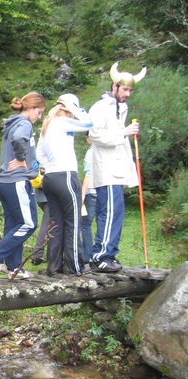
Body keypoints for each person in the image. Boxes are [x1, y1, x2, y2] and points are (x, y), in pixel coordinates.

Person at [89, 62, 146, 273]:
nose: (128, 94)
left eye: (131, 90)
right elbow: (93, 135)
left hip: (117, 170)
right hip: (106, 169)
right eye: (125, 89)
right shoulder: (101, 107)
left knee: (115, 213)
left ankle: (108, 254)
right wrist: (124, 132)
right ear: (114, 86)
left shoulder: (121, 109)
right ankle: (100, 256)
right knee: (110, 213)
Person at [0, 92, 44, 279]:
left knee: (14, 225)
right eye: (39, 113)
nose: (38, 117)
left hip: (4, 182)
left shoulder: (13, 123)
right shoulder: (24, 124)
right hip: (16, 180)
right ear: (32, 108)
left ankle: (14, 268)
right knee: (29, 224)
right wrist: (21, 159)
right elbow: (19, 139)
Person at [37, 93, 93, 276]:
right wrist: (74, 107)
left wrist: (51, 165)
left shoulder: (46, 124)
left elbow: (39, 156)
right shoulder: (62, 121)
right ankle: (73, 267)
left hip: (49, 179)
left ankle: (53, 267)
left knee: (56, 223)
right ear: (68, 108)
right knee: (73, 222)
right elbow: (88, 123)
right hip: (66, 176)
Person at [80, 133, 97, 264]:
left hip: (91, 191)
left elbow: (88, 174)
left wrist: (82, 193)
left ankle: (87, 255)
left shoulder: (90, 153)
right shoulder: (104, 150)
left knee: (85, 224)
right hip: (103, 191)